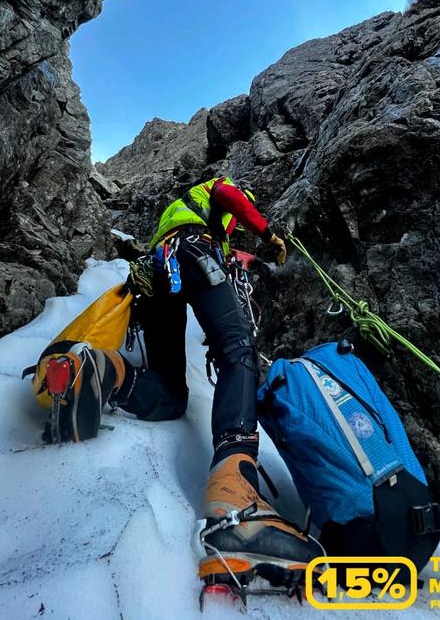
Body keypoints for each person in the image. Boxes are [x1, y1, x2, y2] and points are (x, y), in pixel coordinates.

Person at [28, 176, 320, 590]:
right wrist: (266, 231)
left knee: (170, 393)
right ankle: (236, 498)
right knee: (238, 352)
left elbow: (225, 249)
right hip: (194, 255)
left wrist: (253, 258)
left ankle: (99, 372)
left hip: (160, 270)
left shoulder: (183, 215)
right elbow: (228, 196)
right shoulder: (217, 192)